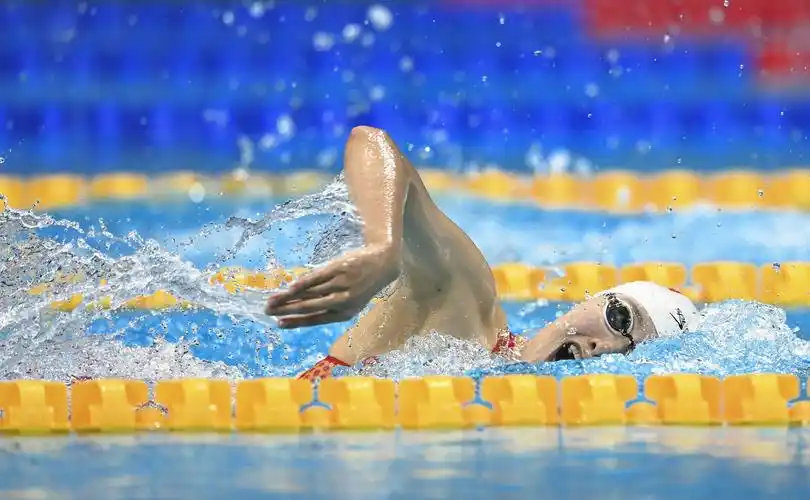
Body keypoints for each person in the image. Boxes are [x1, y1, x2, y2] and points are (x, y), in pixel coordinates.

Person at [264, 126, 700, 380]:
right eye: (620, 318)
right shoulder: (467, 310)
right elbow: (371, 142)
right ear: (594, 298)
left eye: (627, 351)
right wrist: (383, 246)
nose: (600, 347)